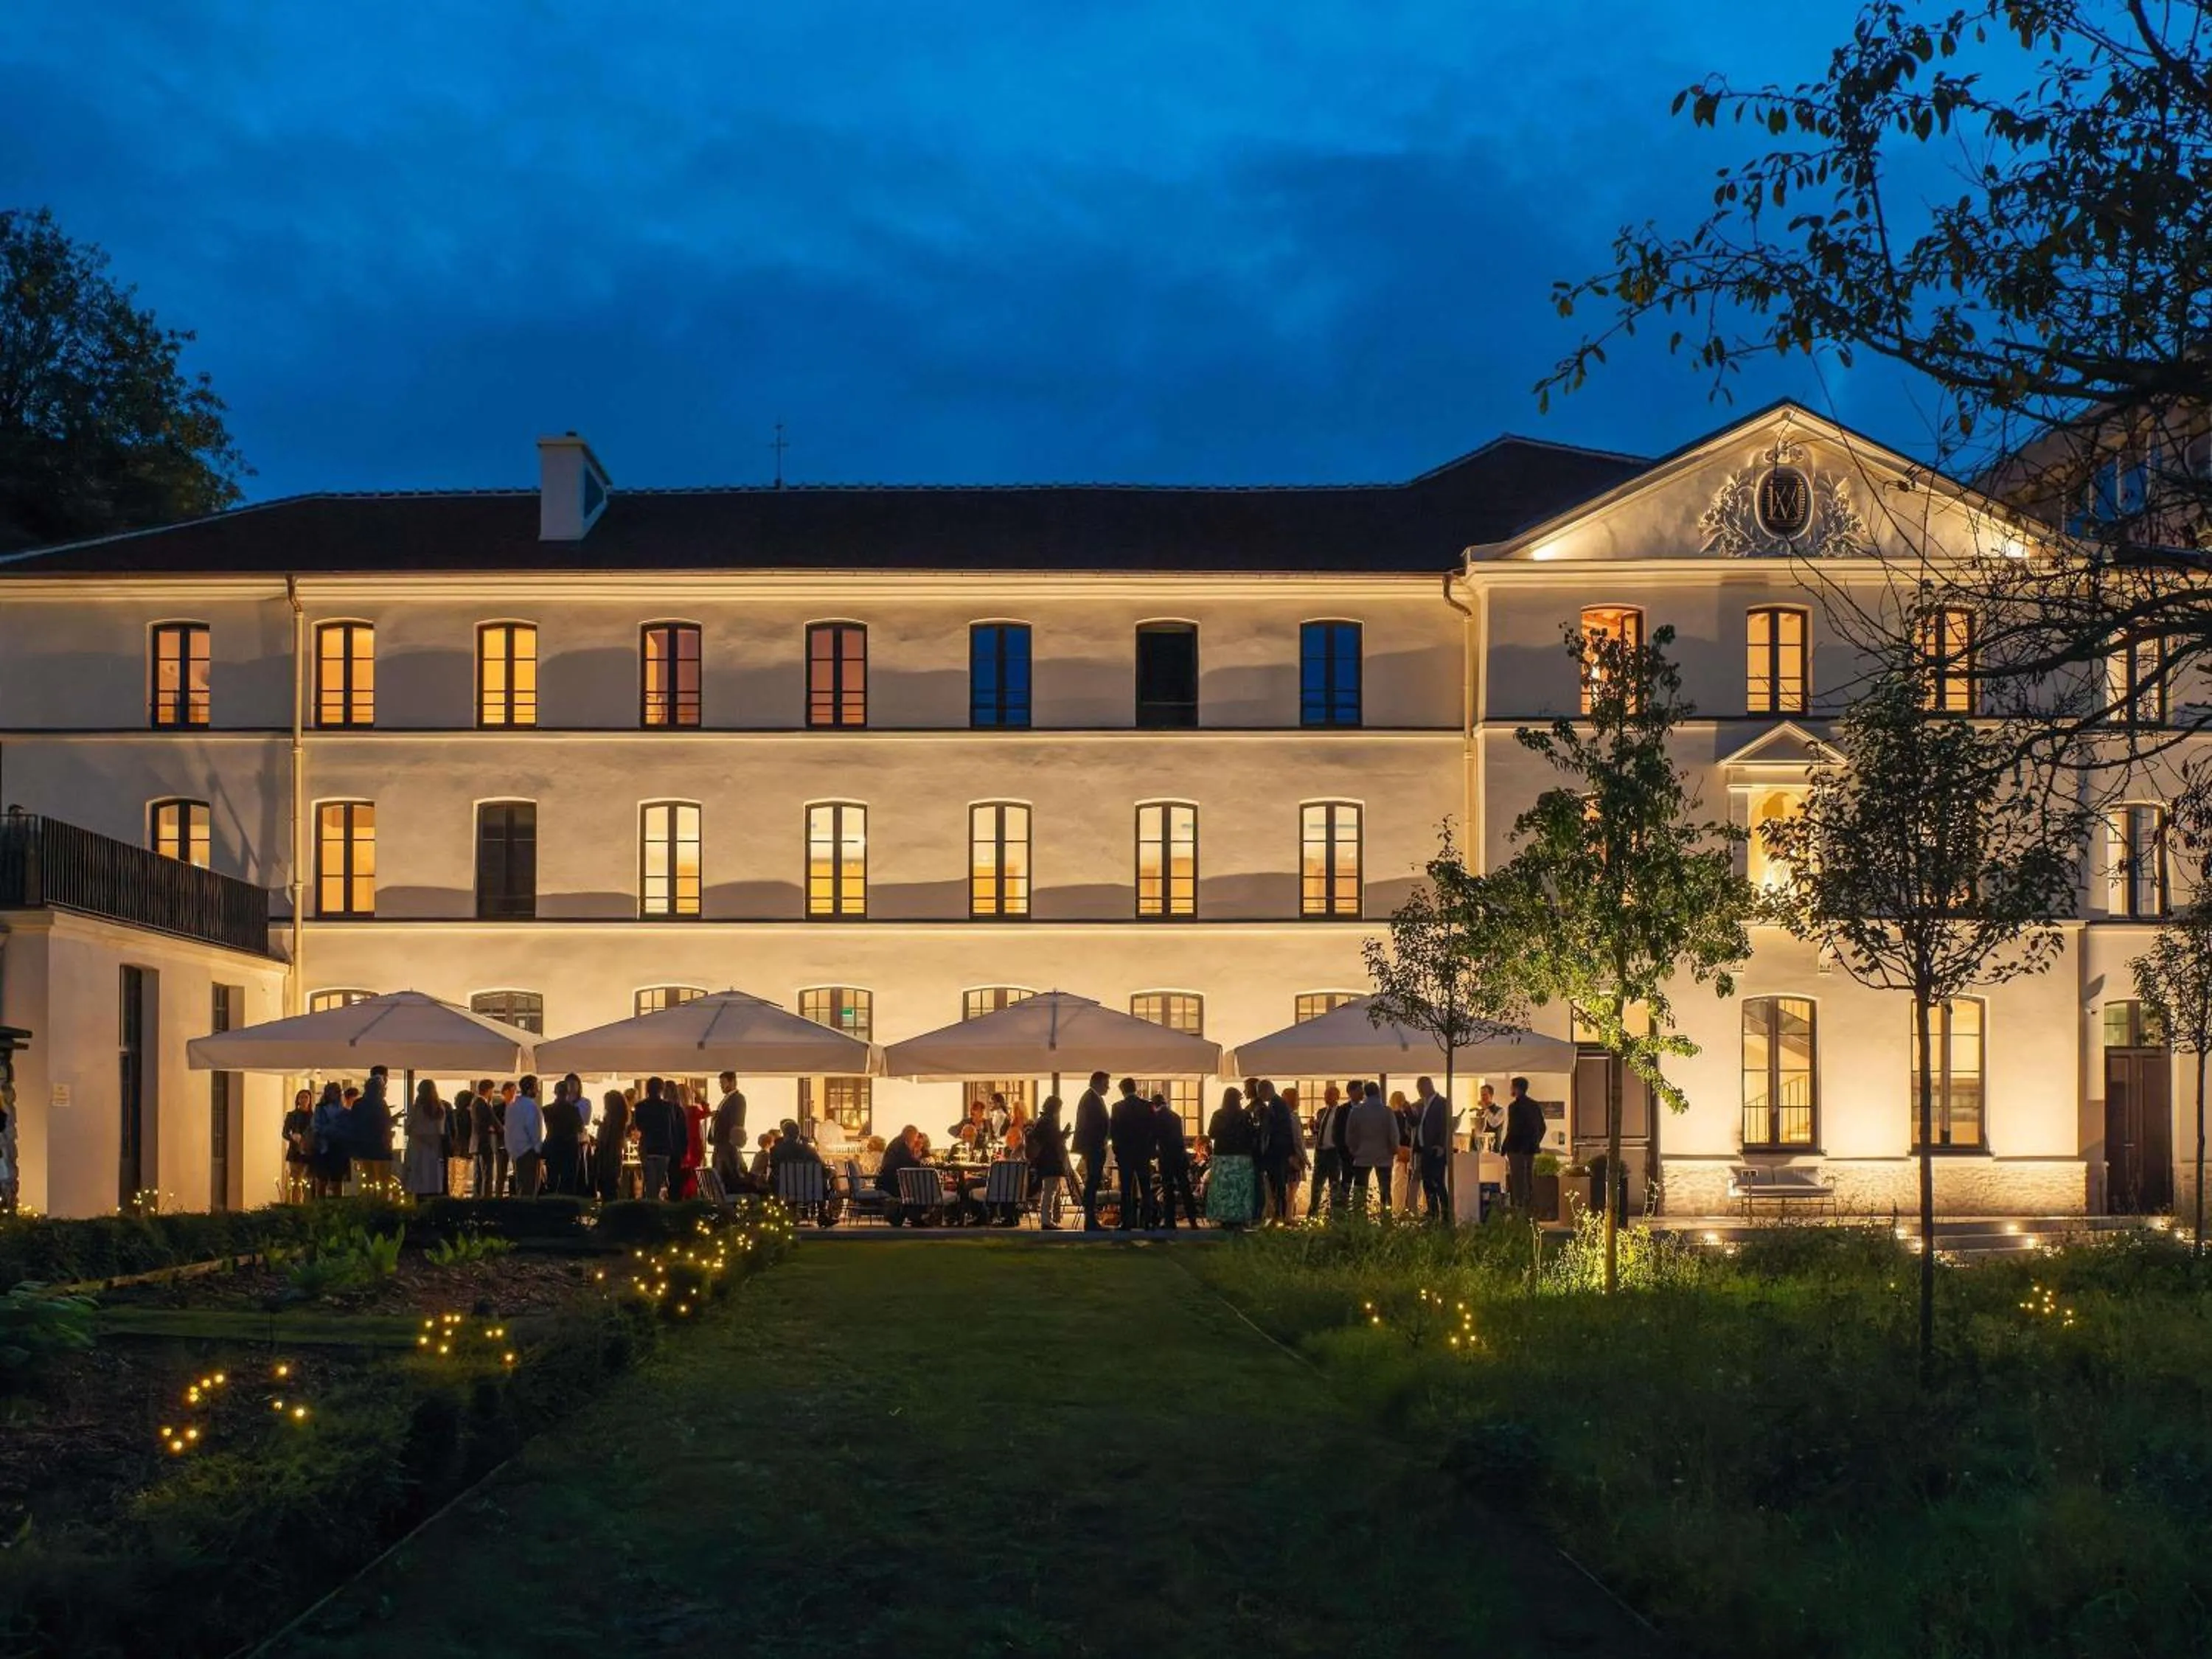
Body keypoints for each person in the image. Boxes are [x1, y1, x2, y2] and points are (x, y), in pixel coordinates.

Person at [1205, 1088, 1258, 1227]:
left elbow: (1211, 1133)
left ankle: (1224, 1216)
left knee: (1224, 1188)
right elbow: (1251, 1134)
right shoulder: (1245, 1115)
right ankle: (1239, 1217)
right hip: (1241, 1157)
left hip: (1223, 1156)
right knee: (1240, 1188)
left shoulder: (1218, 1115)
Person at [1108, 1077, 1155, 1231]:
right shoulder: (1147, 1106)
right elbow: (1153, 1131)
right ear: (1135, 1088)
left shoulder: (1117, 1107)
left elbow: (1114, 1132)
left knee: (1126, 1190)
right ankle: (1147, 1221)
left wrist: (1117, 1151)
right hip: (1143, 1154)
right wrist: (1150, 1150)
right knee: (1145, 1188)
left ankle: (1127, 1222)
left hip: (1125, 1155)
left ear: (1122, 1090)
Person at [1346, 1082, 1398, 1217]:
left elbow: (1350, 1134)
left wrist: (1354, 1150)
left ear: (1365, 1094)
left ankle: (1359, 1220)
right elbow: (1393, 1133)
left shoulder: (1356, 1111)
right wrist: (1393, 1149)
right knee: (1385, 1190)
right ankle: (1386, 1219)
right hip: (1384, 1155)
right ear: (1379, 1093)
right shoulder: (1387, 1112)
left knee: (1360, 1192)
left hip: (1362, 1155)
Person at [633, 1077, 685, 1200]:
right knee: (658, 1181)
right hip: (664, 1149)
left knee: (650, 1183)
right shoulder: (668, 1107)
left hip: (647, 1148)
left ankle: (651, 1207)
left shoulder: (640, 1106)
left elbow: (639, 1126)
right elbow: (672, 1128)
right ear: (662, 1089)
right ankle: (654, 1207)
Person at [769, 1117, 830, 1222]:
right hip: (809, 1191)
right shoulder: (808, 1149)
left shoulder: (775, 1150)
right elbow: (821, 1167)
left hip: (784, 1190)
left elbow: (774, 1169)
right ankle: (822, 1214)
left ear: (784, 1133)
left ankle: (777, 1217)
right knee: (822, 1179)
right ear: (798, 1134)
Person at [1502, 1076, 1546, 1215]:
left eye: (1512, 1087)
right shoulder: (1534, 1106)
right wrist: (1535, 1142)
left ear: (1516, 1088)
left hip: (1516, 1148)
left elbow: (1513, 1129)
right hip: (1530, 1149)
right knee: (1528, 1179)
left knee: (1517, 1180)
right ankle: (1530, 1210)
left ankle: (1519, 1210)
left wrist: (1504, 1147)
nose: (1510, 1089)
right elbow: (1542, 1127)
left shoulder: (1514, 1107)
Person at [1073, 1071, 1110, 1231]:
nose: (1108, 1088)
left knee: (1093, 1183)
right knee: (1092, 1183)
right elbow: (1091, 1126)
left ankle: (1092, 1219)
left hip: (1094, 1147)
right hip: (1093, 1148)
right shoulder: (1091, 1099)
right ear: (1096, 1083)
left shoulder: (1092, 1098)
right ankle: (1090, 1220)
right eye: (1105, 1084)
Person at [1153, 1093, 1196, 1229]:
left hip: (1166, 1157)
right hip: (1180, 1156)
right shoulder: (1176, 1116)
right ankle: (1192, 1220)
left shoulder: (1157, 1117)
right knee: (1185, 1189)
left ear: (1154, 1105)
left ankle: (1170, 1222)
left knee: (1168, 1189)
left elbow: (1155, 1137)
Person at [1028, 1096, 1071, 1229]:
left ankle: (1047, 1219)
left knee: (1048, 1191)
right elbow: (1053, 1141)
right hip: (1050, 1161)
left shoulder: (1042, 1121)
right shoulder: (1049, 1121)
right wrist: (1064, 1134)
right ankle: (1047, 1221)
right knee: (1049, 1192)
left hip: (1044, 1160)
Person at [351, 1068, 396, 1195]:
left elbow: (355, 1126)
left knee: (368, 1180)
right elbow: (384, 1124)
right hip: (380, 1148)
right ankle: (382, 1207)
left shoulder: (359, 1104)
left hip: (364, 1148)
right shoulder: (381, 1104)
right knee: (383, 1180)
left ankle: (368, 1205)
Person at [1416, 1075, 1453, 1221]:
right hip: (1425, 1149)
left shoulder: (1442, 1103)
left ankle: (1446, 1214)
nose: (1419, 1091)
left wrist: (1441, 1145)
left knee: (1438, 1182)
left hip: (1436, 1149)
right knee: (1427, 1182)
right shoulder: (1422, 1104)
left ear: (1428, 1086)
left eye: (1420, 1088)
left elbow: (1445, 1126)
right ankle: (1432, 1212)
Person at [402, 1079, 446, 1198]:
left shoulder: (416, 1109)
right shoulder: (439, 1109)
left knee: (418, 1178)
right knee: (431, 1177)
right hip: (433, 1147)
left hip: (417, 1146)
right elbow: (441, 1130)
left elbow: (408, 1129)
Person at [876, 1124, 925, 1225]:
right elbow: (910, 1163)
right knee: (918, 1189)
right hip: (891, 1182)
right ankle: (916, 1217)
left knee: (917, 1187)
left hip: (891, 1179)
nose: (916, 1141)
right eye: (916, 1138)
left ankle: (916, 1217)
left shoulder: (899, 1143)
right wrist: (918, 1157)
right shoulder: (901, 1146)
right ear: (911, 1135)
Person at [543, 1079, 585, 1196]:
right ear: (567, 1093)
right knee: (569, 1183)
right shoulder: (573, 1110)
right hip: (570, 1147)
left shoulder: (546, 1109)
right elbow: (580, 1128)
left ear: (555, 1092)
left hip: (552, 1146)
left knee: (552, 1181)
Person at [506, 1074, 545, 1198]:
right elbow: (534, 1131)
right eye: (536, 1087)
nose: (538, 1091)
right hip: (529, 1152)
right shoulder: (531, 1106)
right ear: (530, 1089)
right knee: (530, 1189)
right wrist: (539, 1150)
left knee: (521, 1187)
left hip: (516, 1152)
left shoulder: (512, 1106)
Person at [592, 1089, 630, 1201]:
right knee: (612, 1189)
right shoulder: (620, 1121)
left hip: (607, 1159)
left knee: (607, 1190)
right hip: (614, 1158)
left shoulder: (611, 1121)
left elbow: (605, 1141)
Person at [712, 1072, 748, 1191]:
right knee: (718, 1176)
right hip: (720, 1144)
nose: (721, 1086)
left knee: (725, 1177)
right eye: (720, 1083)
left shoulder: (738, 1099)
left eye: (723, 1083)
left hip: (727, 1144)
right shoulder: (728, 1099)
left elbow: (737, 1122)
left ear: (732, 1082)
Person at [282, 1088, 315, 1203]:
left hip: (311, 1152)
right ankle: (296, 1205)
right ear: (298, 1100)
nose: (304, 1099)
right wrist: (292, 1137)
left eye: (306, 1097)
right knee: (296, 1180)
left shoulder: (314, 1116)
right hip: (295, 1151)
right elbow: (285, 1133)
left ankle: (308, 1204)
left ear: (310, 1100)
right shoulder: (292, 1115)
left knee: (309, 1181)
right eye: (301, 1097)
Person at [678, 1083, 709, 1201]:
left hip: (683, 1146)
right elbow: (707, 1112)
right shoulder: (693, 1110)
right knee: (694, 1173)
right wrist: (701, 1099)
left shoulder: (677, 1111)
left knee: (684, 1174)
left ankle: (685, 1195)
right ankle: (692, 1196)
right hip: (695, 1145)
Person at [1389, 1088, 1418, 1215]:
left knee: (1399, 1182)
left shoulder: (1394, 1115)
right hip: (1410, 1150)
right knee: (1409, 1182)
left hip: (1399, 1151)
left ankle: (1397, 1209)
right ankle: (1410, 1208)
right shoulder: (1408, 1114)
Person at [448, 1079, 476, 1198]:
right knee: (460, 1178)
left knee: (451, 1177)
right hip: (464, 1150)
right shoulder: (470, 1115)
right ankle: (456, 1199)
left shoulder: (452, 1113)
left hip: (452, 1149)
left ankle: (450, 1198)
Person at [469, 1080, 498, 1198]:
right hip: (485, 1143)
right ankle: (486, 1199)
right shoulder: (483, 1103)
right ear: (489, 1090)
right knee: (487, 1174)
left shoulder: (475, 1103)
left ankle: (477, 1198)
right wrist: (502, 1130)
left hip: (477, 1144)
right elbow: (493, 1120)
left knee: (478, 1174)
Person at [1476, 1082, 1504, 1153]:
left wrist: (1486, 1109)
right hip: (1481, 1148)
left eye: (1485, 1095)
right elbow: (1478, 1130)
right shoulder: (1481, 1111)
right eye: (1481, 1095)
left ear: (1491, 1095)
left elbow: (1494, 1124)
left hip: (1494, 1148)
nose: (1483, 1097)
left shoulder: (1500, 1110)